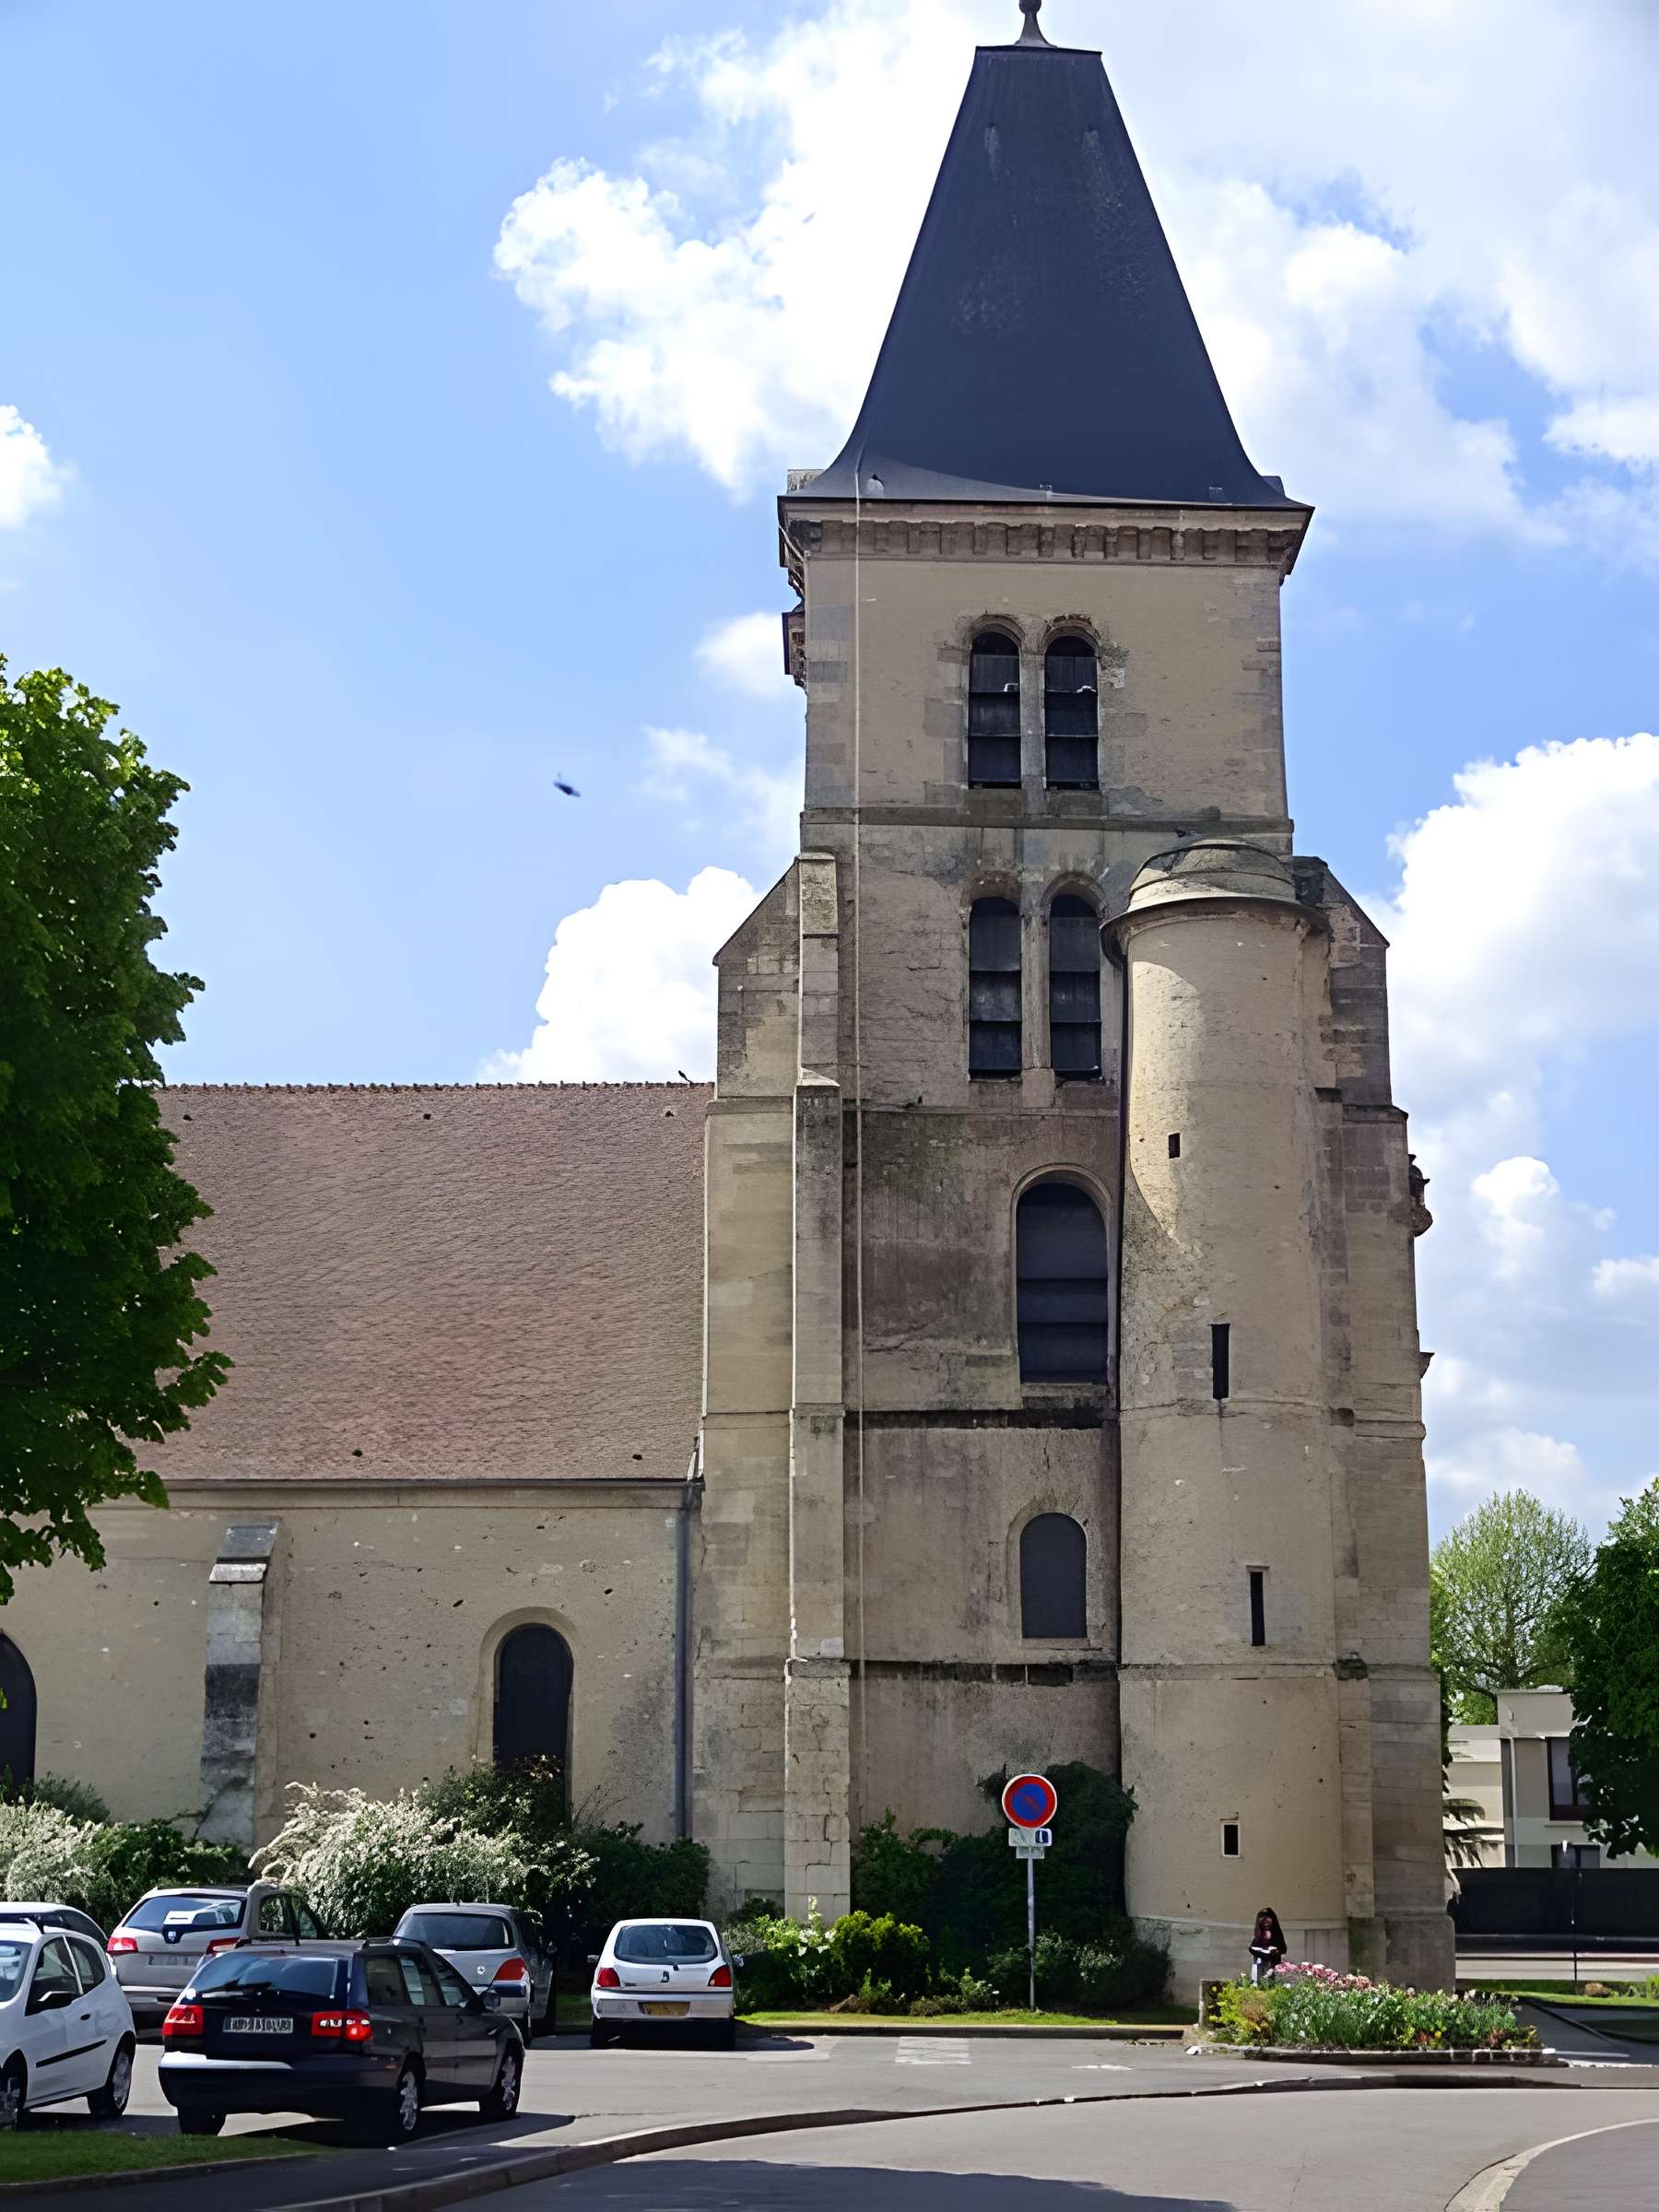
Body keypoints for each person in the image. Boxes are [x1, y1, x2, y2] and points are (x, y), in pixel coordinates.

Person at [1248, 1907, 1287, 1985]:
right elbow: (1252, 1948)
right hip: (1259, 1964)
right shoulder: (1258, 1935)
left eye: (1268, 1916)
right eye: (1262, 1916)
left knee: (1270, 1982)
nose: (1265, 1919)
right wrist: (1266, 1950)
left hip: (1273, 1964)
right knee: (1259, 1982)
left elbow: (1283, 1948)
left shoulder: (1276, 1934)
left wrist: (1275, 1951)